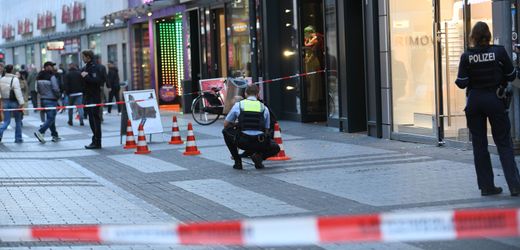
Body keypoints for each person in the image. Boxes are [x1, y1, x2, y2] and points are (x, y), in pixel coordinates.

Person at [455, 21, 520, 197]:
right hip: (494, 100)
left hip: (475, 102)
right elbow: (511, 75)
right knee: (504, 143)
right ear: (489, 35)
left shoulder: (467, 56)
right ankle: (514, 186)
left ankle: (486, 187)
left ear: (473, 38)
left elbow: (461, 83)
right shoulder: (498, 52)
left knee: (479, 145)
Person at [222, 84, 280, 170]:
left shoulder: (239, 105)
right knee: (276, 148)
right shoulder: (264, 107)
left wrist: (236, 124)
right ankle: (259, 157)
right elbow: (267, 129)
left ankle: (237, 161)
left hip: (242, 141)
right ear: (258, 94)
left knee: (225, 131)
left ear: (245, 94)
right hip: (259, 142)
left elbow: (226, 124)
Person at [34, 62, 61, 143]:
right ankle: (41, 131)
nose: (52, 68)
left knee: (50, 118)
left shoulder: (39, 77)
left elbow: (37, 89)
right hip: (51, 99)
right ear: (46, 67)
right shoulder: (52, 77)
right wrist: (58, 96)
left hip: (43, 99)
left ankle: (54, 135)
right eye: (51, 66)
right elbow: (55, 88)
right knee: (51, 118)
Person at [81, 50, 103, 149]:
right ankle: (95, 140)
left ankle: (97, 142)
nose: (82, 59)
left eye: (83, 57)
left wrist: (86, 76)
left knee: (95, 120)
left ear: (88, 57)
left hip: (94, 96)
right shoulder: (87, 66)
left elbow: (97, 81)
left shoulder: (94, 67)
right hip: (88, 96)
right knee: (91, 119)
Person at [0, 65, 25, 143]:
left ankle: (1, 130)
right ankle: (18, 138)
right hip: (14, 102)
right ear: (12, 70)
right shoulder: (15, 79)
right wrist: (21, 103)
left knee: (6, 121)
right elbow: (17, 91)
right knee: (18, 121)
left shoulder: (2, 79)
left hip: (5, 101)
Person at [95, 55, 107, 120]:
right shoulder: (102, 67)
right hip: (100, 87)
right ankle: (100, 117)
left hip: (92, 88)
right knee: (100, 102)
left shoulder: (90, 67)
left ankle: (95, 116)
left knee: (94, 103)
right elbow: (105, 77)